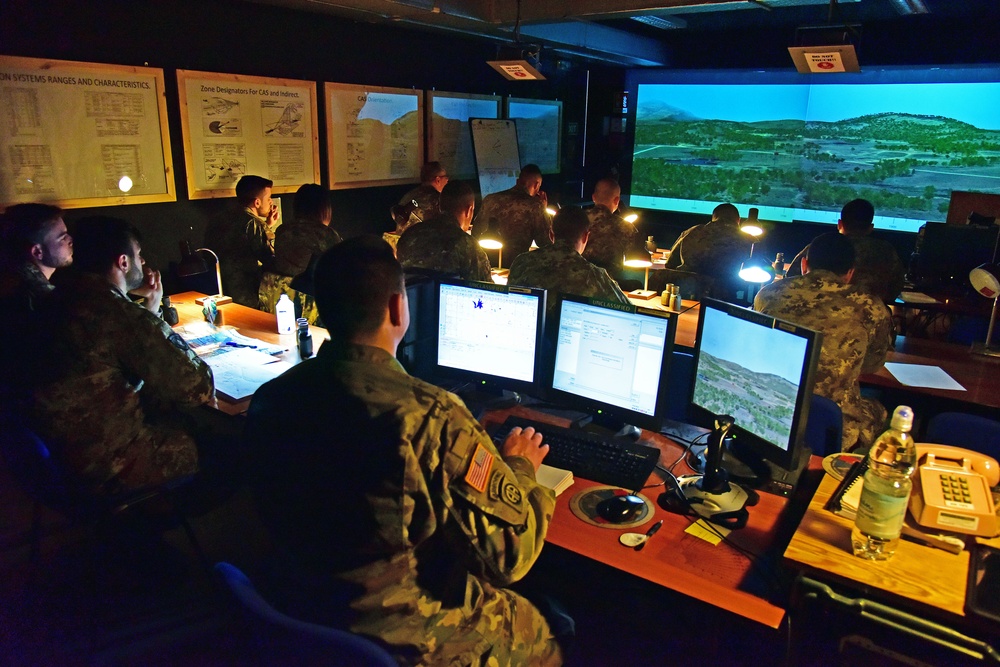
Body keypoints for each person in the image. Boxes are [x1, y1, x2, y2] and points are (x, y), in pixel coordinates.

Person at [245, 237, 565, 666]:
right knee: (541, 628)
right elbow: (509, 556)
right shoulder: (430, 414)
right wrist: (521, 467)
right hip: (407, 636)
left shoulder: (271, 397)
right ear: (399, 309)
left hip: (301, 607)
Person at [29, 217, 216, 495]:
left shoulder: (55, 298)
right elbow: (197, 388)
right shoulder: (114, 312)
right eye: (139, 255)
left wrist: (148, 311)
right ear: (123, 262)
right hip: (110, 465)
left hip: (55, 462)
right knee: (226, 444)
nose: (143, 262)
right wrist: (149, 319)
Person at [754, 232, 893, 452]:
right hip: (833, 426)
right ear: (849, 273)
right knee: (879, 408)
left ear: (804, 264)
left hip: (768, 408)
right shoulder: (872, 307)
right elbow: (871, 365)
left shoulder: (769, 294)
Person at [508, 206, 631, 317]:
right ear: (585, 237)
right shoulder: (594, 276)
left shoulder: (522, 262)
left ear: (551, 234)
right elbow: (628, 310)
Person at [784, 199, 906, 304]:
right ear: (870, 228)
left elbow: (790, 280)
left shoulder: (821, 245)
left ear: (839, 224)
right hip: (865, 318)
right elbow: (895, 289)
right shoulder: (886, 252)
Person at [258, 183, 342, 322]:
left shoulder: (283, 229)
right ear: (324, 209)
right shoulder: (325, 233)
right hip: (310, 300)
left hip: (278, 297)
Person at [204, 174, 280, 308]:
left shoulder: (220, 218)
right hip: (246, 293)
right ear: (257, 202)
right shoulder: (253, 223)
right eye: (268, 198)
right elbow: (269, 258)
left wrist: (267, 225)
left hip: (218, 290)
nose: (271, 202)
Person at [396, 180, 492, 281]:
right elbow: (485, 286)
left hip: (411, 296)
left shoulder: (408, 235)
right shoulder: (467, 245)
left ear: (440, 206)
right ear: (469, 210)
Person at [664, 202, 752, 300]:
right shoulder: (748, 240)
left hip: (683, 295)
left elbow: (670, 264)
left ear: (714, 217)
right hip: (723, 298)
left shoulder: (693, 232)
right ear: (738, 221)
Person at [0, 203, 73, 311]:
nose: (70, 240)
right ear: (37, 251)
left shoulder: (12, 278)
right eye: (62, 238)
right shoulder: (38, 300)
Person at [476, 164, 553, 260]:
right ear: (537, 185)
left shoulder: (490, 199)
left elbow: (476, 231)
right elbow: (545, 242)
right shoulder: (535, 206)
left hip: (485, 258)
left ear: (518, 181)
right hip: (515, 264)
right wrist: (543, 210)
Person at [581, 178, 637, 284]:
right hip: (610, 283)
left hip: (579, 279)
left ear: (593, 197)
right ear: (617, 201)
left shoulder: (577, 219)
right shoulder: (625, 227)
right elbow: (637, 257)